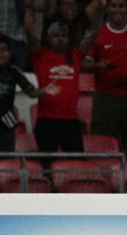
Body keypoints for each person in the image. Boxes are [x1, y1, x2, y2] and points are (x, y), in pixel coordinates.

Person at [83, 0, 127, 148]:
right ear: (107, 9)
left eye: (121, 6)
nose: (118, 9)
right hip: (105, 98)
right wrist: (98, 66)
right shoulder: (98, 34)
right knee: (104, 144)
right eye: (113, 6)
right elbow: (84, 64)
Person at [26, 15, 84, 156]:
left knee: (76, 167)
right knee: (46, 166)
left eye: (64, 35)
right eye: (56, 35)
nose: (60, 38)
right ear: (48, 39)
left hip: (71, 121)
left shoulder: (76, 55)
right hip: (47, 121)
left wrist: (100, 11)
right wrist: (28, 7)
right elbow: (29, 31)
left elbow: (94, 33)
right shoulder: (41, 55)